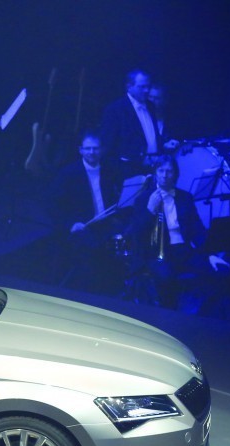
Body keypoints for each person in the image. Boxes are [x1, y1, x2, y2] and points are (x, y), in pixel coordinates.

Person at [47, 130, 128, 292]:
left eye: (95, 148)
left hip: (104, 222)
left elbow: (114, 196)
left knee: (129, 235)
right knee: (93, 253)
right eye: (88, 148)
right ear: (80, 150)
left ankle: (117, 285)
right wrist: (71, 224)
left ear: (102, 150)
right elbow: (52, 205)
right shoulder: (68, 173)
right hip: (82, 226)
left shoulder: (109, 170)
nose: (92, 152)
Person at [129, 155, 207, 307]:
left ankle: (201, 311)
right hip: (158, 253)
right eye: (161, 170)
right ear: (155, 173)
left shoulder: (185, 197)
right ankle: (169, 314)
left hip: (183, 250)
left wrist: (210, 254)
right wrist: (150, 210)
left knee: (214, 270)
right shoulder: (143, 199)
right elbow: (137, 234)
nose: (165, 175)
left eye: (169, 171)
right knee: (166, 277)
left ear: (175, 174)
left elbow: (197, 229)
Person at [100, 70, 174, 178]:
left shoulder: (151, 106)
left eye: (148, 86)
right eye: (142, 87)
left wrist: (163, 145)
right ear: (129, 86)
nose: (146, 90)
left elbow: (149, 137)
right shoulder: (116, 110)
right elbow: (108, 147)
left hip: (153, 170)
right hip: (127, 172)